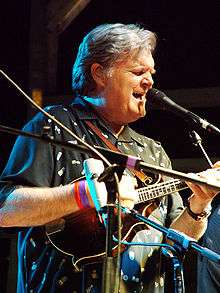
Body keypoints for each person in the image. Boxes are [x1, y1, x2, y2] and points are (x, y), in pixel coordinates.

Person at [0, 23, 219, 293]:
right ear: (100, 73)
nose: (150, 81)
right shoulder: (55, 125)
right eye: (138, 72)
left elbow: (174, 243)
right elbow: (5, 210)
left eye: (151, 73)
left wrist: (199, 206)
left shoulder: (152, 151)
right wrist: (84, 195)